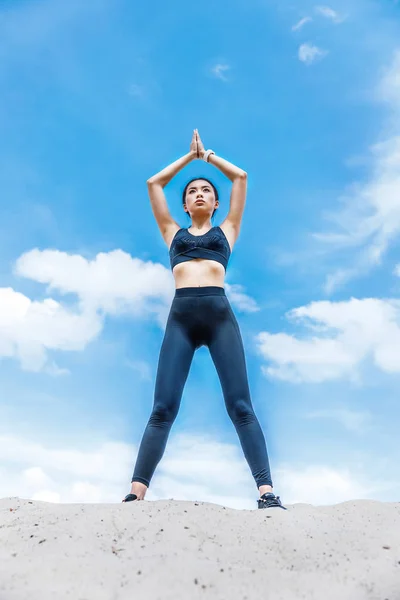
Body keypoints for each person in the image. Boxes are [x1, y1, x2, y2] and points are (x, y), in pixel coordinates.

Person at [122, 129, 286, 510]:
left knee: (240, 406)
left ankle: (266, 492)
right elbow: (153, 183)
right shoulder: (171, 232)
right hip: (181, 318)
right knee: (163, 408)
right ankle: (136, 492)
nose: (199, 192)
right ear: (184, 205)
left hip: (218, 317)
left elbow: (240, 177)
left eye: (206, 191)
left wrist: (207, 157)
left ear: (215, 204)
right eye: (192, 190)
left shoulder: (227, 230)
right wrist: (187, 158)